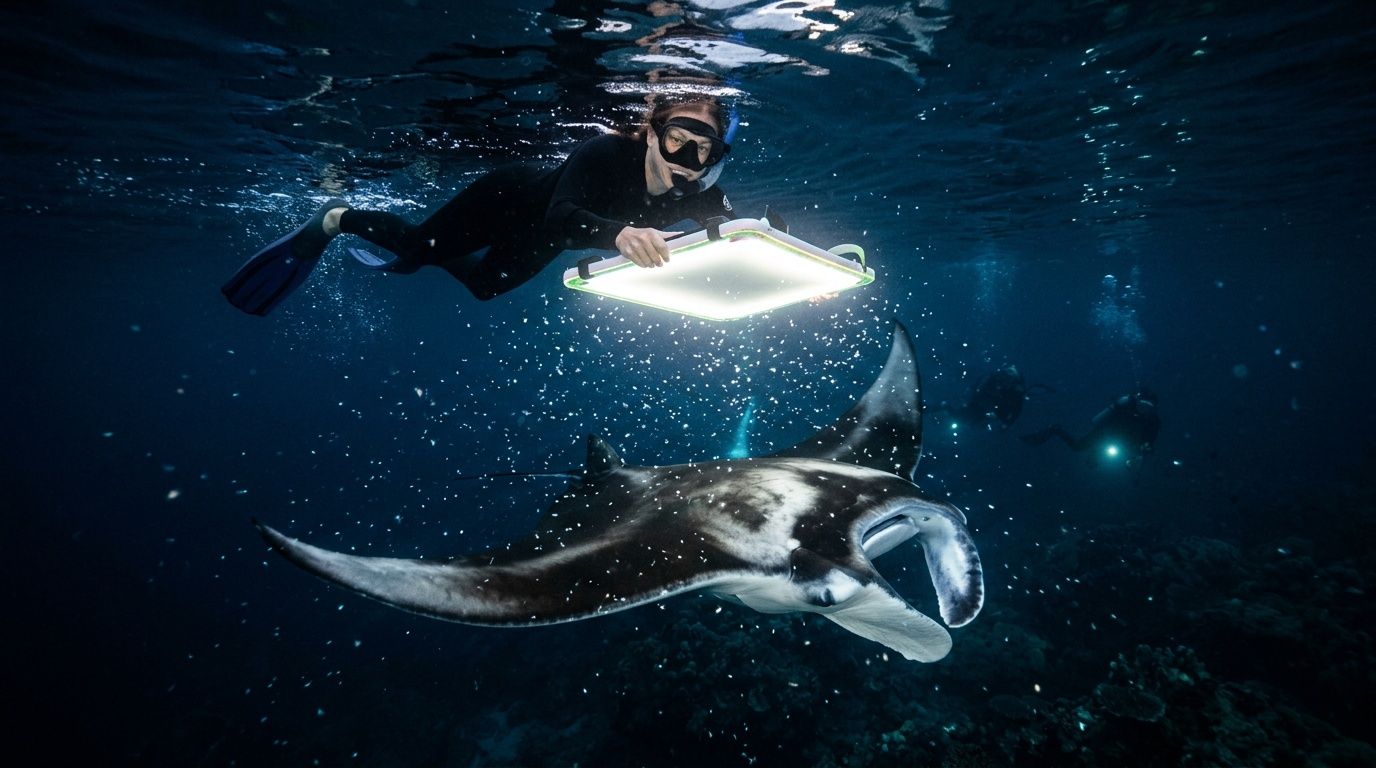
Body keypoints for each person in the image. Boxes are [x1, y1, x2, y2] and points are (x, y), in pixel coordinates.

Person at [223, 98, 737, 315]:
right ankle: (336, 218)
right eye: (677, 140)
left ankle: (433, 252)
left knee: (485, 288)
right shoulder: (605, 152)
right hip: (509, 200)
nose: (686, 161)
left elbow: (739, 232)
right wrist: (620, 234)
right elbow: (562, 215)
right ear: (651, 134)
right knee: (415, 247)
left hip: (545, 236)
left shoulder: (700, 192)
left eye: (703, 150)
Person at [1021, 390, 1160, 466]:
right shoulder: (1126, 407)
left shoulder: (1153, 421)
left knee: (1086, 451)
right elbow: (1103, 420)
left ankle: (1056, 430)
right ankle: (1055, 429)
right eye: (1143, 405)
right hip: (1106, 434)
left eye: (1148, 407)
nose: (1144, 409)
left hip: (1122, 441)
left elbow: (1149, 441)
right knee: (1078, 447)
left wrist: (1145, 447)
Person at [941, 363, 1031, 431]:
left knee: (970, 420)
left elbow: (1015, 409)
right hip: (983, 404)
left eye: (1010, 377)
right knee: (966, 419)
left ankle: (947, 410)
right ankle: (947, 410)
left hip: (990, 409)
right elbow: (977, 388)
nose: (1006, 379)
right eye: (1006, 375)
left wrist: (1006, 422)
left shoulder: (1014, 392)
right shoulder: (994, 379)